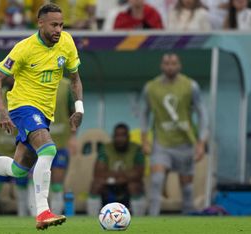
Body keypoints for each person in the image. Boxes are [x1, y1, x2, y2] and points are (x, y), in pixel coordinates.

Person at [0, 3, 84, 230]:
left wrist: (79, 109)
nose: (58, 29)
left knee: (18, 169)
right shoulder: (24, 48)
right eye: (53, 24)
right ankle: (42, 211)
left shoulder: (67, 43)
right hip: (22, 107)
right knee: (49, 149)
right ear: (40, 23)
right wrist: (1, 110)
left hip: (44, 112)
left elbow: (75, 79)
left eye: (61, 24)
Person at [140, 53, 208, 216]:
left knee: (187, 188)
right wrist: (144, 138)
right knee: (156, 180)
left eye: (173, 63)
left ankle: (186, 221)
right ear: (162, 66)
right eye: (166, 63)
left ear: (179, 65)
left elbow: (202, 113)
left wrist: (201, 142)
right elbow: (144, 113)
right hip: (162, 143)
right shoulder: (151, 88)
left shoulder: (191, 86)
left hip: (185, 143)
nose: (170, 66)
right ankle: (152, 221)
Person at [28, 77, 77, 216]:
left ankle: (54, 215)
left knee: (56, 184)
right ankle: (34, 216)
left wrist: (73, 137)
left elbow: (73, 112)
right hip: (37, 142)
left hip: (60, 143)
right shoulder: (32, 80)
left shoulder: (66, 85)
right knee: (35, 181)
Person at [0, 80, 30, 217]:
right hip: (2, 151)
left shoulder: (27, 93)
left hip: (19, 152)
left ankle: (23, 219)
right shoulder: (2, 93)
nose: (10, 76)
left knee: (21, 189)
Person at [87, 123, 145, 216]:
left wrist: (120, 178)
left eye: (123, 135)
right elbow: (98, 173)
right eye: (117, 136)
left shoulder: (136, 149)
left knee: (135, 186)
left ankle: (139, 219)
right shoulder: (106, 148)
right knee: (96, 184)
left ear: (128, 137)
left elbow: (138, 173)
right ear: (113, 136)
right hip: (109, 185)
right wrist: (118, 178)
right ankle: (91, 219)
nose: (120, 139)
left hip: (127, 186)